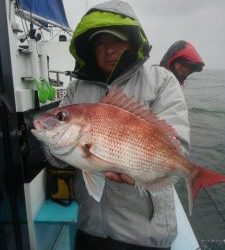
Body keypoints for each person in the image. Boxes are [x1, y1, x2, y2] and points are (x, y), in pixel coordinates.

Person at [45, 1, 190, 249]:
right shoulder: (75, 89)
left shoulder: (161, 81)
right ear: (90, 48)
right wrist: (51, 144)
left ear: (133, 42)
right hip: (90, 227)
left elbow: (180, 148)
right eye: (100, 43)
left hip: (145, 236)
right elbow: (57, 158)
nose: (109, 50)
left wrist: (140, 167)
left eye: (117, 41)